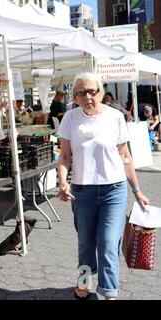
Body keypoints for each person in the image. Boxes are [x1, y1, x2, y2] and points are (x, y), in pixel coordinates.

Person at [57, 72, 150, 300]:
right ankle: (84, 282)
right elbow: (65, 157)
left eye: (92, 91)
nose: (88, 96)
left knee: (108, 242)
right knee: (86, 242)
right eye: (82, 92)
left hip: (113, 190)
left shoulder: (115, 117)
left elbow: (125, 156)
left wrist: (137, 190)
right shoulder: (70, 118)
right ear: (75, 96)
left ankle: (109, 290)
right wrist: (62, 182)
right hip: (82, 191)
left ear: (100, 92)